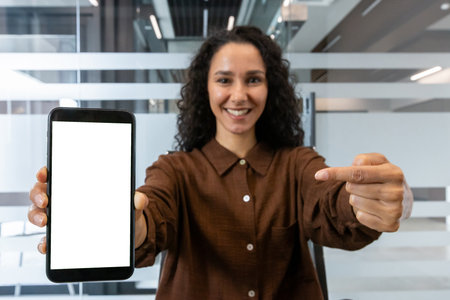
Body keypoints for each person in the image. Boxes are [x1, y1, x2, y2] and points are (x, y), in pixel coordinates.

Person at [28, 26, 413, 299]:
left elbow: (330, 206)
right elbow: (153, 215)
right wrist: (126, 224)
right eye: (225, 80)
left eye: (254, 79)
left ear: (271, 88)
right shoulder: (175, 171)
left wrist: (368, 201)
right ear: (205, 89)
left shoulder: (298, 165)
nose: (239, 95)